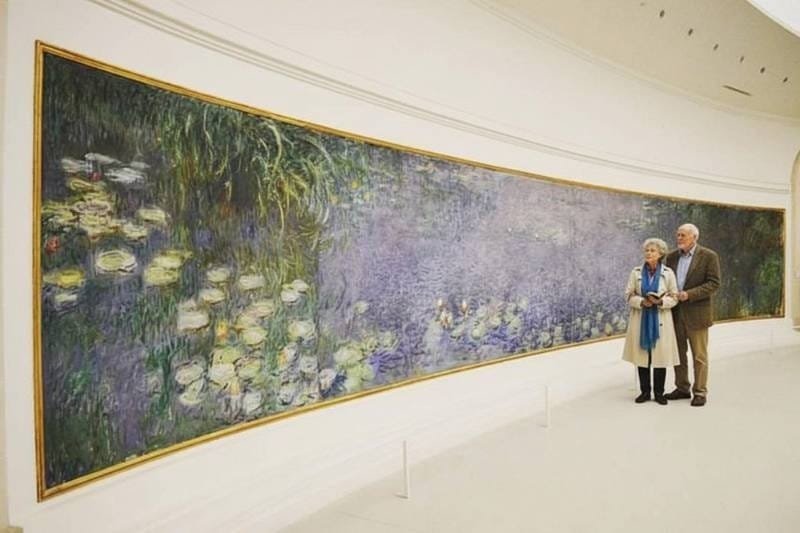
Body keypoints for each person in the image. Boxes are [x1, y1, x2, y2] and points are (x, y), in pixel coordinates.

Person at [664, 223, 721, 407]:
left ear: (694, 237)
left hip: (697, 314)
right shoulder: (671, 257)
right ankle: (682, 388)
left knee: (699, 356)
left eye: (683, 235)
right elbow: (666, 281)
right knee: (678, 354)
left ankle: (700, 392)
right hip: (675, 313)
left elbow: (714, 283)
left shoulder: (709, 256)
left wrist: (689, 294)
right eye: (678, 235)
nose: (678, 238)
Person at [622, 238, 680, 405]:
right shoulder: (636, 272)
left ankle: (659, 393)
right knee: (642, 357)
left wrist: (660, 302)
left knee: (660, 357)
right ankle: (645, 392)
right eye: (647, 250)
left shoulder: (668, 273)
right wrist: (642, 302)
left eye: (652, 250)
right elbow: (628, 294)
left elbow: (674, 296)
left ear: (660, 254)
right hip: (641, 318)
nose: (648, 253)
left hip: (661, 318)